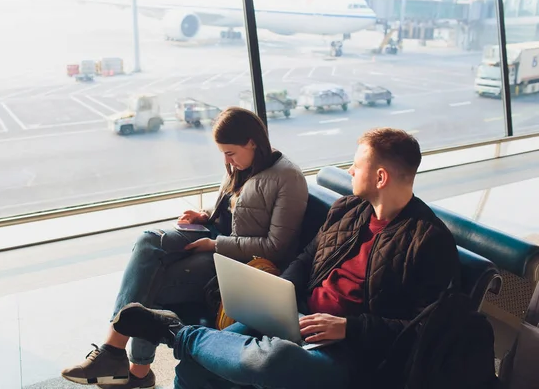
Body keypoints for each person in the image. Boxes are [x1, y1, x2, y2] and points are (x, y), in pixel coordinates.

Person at [109, 128, 461, 389]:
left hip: (353, 349)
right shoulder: (348, 209)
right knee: (195, 367)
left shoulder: (428, 242)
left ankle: (176, 332)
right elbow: (309, 257)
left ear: (381, 177)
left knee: (273, 360)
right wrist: (279, 292)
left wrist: (348, 327)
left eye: (356, 166)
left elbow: (422, 330)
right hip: (297, 314)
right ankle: (185, 337)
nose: (350, 171)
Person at [61, 107, 309, 388]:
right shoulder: (243, 164)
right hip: (215, 236)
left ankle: (132, 369)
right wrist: (205, 215)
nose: (226, 160)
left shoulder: (287, 177)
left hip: (236, 259)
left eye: (230, 153)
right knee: (148, 240)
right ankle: (116, 354)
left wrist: (215, 244)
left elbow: (276, 247)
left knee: (150, 282)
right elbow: (235, 208)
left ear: (251, 142)